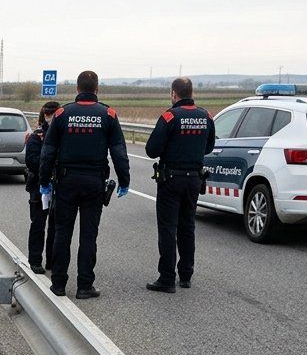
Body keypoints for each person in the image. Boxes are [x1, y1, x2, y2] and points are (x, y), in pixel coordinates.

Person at [38, 70, 130, 299]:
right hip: (94, 182)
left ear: (77, 89)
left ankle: (58, 284)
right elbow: (118, 150)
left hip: (66, 181)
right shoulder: (107, 114)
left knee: (62, 233)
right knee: (89, 236)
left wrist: (43, 182)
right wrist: (124, 180)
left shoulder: (62, 114)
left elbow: (48, 151)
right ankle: (84, 286)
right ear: (97, 89)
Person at [144, 77, 215, 292]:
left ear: (174, 94)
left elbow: (151, 150)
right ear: (191, 93)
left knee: (168, 228)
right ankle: (186, 275)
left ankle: (166, 278)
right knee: (187, 227)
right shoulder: (206, 116)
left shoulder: (169, 116)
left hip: (171, 179)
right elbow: (209, 147)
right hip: (194, 179)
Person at [24, 100, 60, 274]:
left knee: (56, 226)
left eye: (54, 114)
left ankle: (52, 260)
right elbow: (31, 160)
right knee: (38, 223)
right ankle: (35, 260)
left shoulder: (64, 135)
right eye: (48, 114)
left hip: (59, 186)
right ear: (44, 116)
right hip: (39, 186)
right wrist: (47, 167)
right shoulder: (37, 136)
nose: (51, 118)